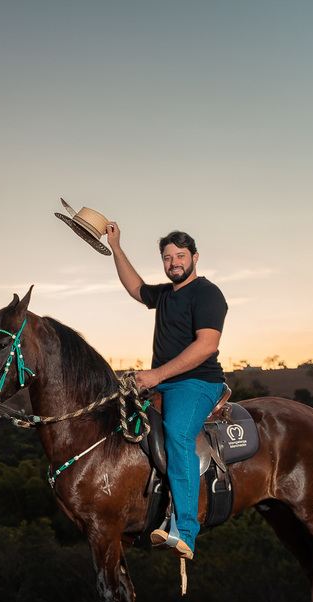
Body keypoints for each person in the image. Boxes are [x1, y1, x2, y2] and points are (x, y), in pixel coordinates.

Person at [106, 222, 228, 560]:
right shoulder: (165, 295)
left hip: (197, 381)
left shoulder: (207, 293)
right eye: (167, 257)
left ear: (195, 257)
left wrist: (155, 374)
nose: (173, 262)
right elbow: (136, 288)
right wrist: (116, 246)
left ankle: (185, 531)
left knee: (177, 434)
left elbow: (207, 345)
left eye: (180, 256)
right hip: (162, 381)